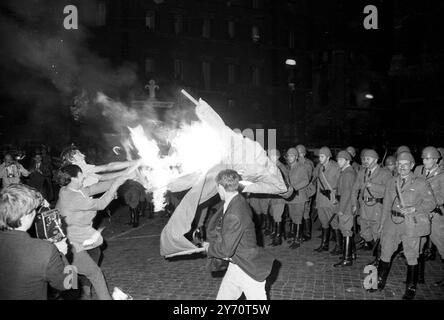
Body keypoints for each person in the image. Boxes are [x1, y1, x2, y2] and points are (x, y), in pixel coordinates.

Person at [56, 164, 135, 300]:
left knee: (76, 275)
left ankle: (81, 292)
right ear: (75, 178)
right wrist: (115, 186)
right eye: (81, 175)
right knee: (94, 274)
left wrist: (123, 178)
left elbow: (94, 188)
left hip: (73, 241)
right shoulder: (73, 197)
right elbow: (100, 204)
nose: (84, 177)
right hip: (71, 245)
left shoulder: (69, 190)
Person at [372, 151, 435, 300]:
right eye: (399, 164)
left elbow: (431, 203)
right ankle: (379, 282)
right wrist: (382, 224)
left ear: (412, 165)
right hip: (392, 222)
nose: (402, 167)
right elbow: (386, 204)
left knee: (411, 256)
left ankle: (411, 287)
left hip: (410, 224)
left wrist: (415, 209)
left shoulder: (421, 183)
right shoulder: (391, 181)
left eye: (405, 165)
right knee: (385, 252)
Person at [203, 169, 275, 300]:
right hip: (237, 264)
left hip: (248, 268)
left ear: (220, 187)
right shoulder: (238, 200)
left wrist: (209, 248)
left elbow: (226, 250)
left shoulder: (234, 212)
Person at [0, 184, 68, 299]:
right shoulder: (44, 249)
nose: (35, 213)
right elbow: (68, 284)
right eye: (33, 211)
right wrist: (62, 254)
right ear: (25, 216)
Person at [351, 149, 391, 262]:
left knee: (377, 233)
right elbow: (354, 189)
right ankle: (377, 252)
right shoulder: (361, 172)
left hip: (377, 207)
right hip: (364, 207)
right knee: (364, 233)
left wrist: (372, 186)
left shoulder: (385, 173)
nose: (365, 161)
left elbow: (389, 191)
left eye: (368, 159)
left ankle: (379, 259)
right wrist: (354, 204)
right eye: (364, 159)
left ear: (375, 160)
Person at [413, 146, 444, 286]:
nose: (424, 161)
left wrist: (427, 204)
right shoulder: (418, 170)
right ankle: (418, 277)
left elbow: (441, 197)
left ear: (436, 159)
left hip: (435, 215)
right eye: (423, 158)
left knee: (441, 244)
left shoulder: (442, 175)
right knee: (418, 244)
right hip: (420, 214)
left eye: (427, 158)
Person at [313, 147, 340, 253]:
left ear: (328, 157)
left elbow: (340, 184)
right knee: (324, 222)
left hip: (331, 199)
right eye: (319, 156)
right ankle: (324, 245)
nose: (320, 158)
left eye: (322, 156)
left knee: (334, 223)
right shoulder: (319, 167)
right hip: (321, 200)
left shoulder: (335, 167)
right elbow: (318, 185)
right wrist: (316, 200)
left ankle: (339, 246)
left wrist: (337, 198)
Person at [334, 151, 357, 267]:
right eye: (338, 159)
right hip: (345, 204)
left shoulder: (348, 174)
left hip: (346, 206)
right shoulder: (346, 171)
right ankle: (350, 253)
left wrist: (341, 209)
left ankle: (347, 258)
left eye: (341, 160)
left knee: (346, 231)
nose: (338, 162)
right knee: (346, 230)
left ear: (348, 161)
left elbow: (347, 193)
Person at [284, 148, 310, 249]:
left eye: (292, 156)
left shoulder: (301, 167)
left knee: (298, 218)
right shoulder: (289, 167)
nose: (289, 158)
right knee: (293, 217)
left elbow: (306, 180)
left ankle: (297, 239)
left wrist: (294, 188)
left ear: (296, 157)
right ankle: (295, 235)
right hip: (291, 197)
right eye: (288, 156)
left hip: (299, 196)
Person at [267, 149, 289, 246]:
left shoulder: (281, 167)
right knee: (273, 214)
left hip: (280, 196)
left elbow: (284, 182)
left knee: (277, 216)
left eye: (271, 156)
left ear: (276, 157)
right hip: (274, 195)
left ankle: (278, 238)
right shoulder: (273, 167)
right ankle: (278, 233)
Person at [296, 144, 315, 241]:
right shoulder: (296, 162)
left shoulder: (308, 163)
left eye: (298, 153)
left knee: (305, 212)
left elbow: (307, 178)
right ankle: (299, 232)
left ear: (303, 153)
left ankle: (307, 233)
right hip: (298, 191)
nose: (297, 155)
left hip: (306, 191)